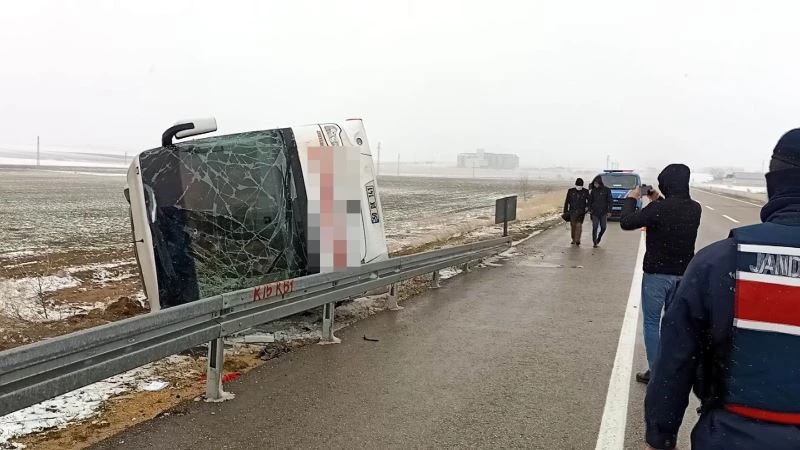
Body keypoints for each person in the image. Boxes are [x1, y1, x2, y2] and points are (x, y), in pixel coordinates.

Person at [644, 130, 800, 450]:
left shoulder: (718, 262)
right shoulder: (696, 216)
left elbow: (674, 363)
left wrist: (660, 435)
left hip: (733, 435)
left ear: (775, 183)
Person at [619, 164, 701, 384]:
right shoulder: (695, 208)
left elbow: (626, 222)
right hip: (683, 275)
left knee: (651, 323)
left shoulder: (658, 210)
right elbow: (673, 211)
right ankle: (674, 369)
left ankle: (656, 372)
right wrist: (658, 200)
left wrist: (632, 199)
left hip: (657, 274)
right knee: (673, 324)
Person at [563, 178, 590, 245]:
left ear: (582, 185)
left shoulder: (585, 191)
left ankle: (578, 239)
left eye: (580, 186)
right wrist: (565, 211)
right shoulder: (570, 191)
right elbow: (567, 201)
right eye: (578, 185)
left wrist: (587, 207)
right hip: (572, 211)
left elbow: (589, 201)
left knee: (579, 225)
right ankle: (573, 239)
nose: (579, 187)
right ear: (575, 185)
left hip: (581, 212)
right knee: (573, 225)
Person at [588, 175, 613, 248]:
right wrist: (589, 209)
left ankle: (599, 237)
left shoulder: (607, 190)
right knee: (595, 227)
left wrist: (609, 211)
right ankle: (594, 242)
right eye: (594, 183)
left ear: (600, 183)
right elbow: (590, 201)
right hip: (595, 212)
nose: (595, 185)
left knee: (603, 227)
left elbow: (610, 201)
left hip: (603, 212)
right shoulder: (593, 191)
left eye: (596, 183)